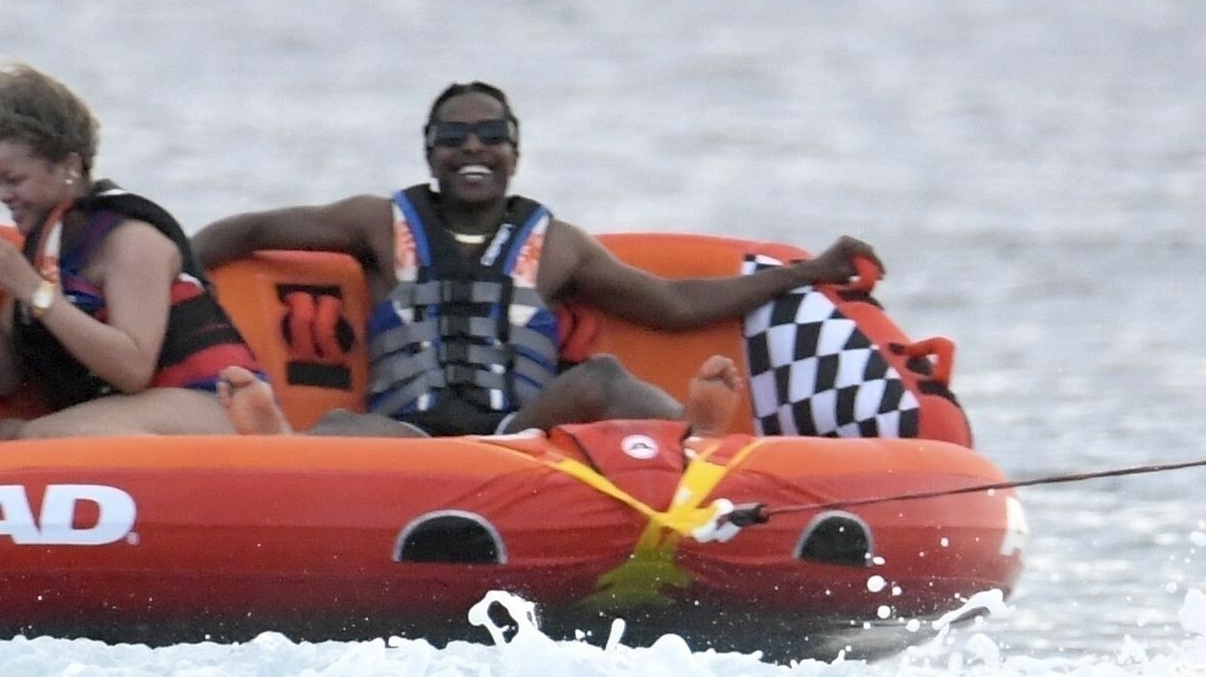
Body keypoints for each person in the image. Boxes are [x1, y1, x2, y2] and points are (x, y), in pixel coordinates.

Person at [191, 81, 881, 438]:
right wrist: (177, 277)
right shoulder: (377, 222)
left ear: (514, 153)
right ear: (430, 152)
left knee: (603, 377)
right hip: (403, 432)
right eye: (454, 136)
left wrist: (805, 272)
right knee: (340, 426)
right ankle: (280, 450)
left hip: (516, 432)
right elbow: (249, 229)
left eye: (490, 134)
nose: (472, 147)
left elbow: (672, 305)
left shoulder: (557, 245)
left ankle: (691, 436)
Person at [0, 62, 263, 439]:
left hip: (215, 402)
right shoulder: (43, 253)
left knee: (21, 437)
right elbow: (7, 380)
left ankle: (268, 431)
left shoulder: (130, 241)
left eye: (14, 180)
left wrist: (33, 291)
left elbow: (133, 369)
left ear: (69, 167)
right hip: (136, 416)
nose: (3, 195)